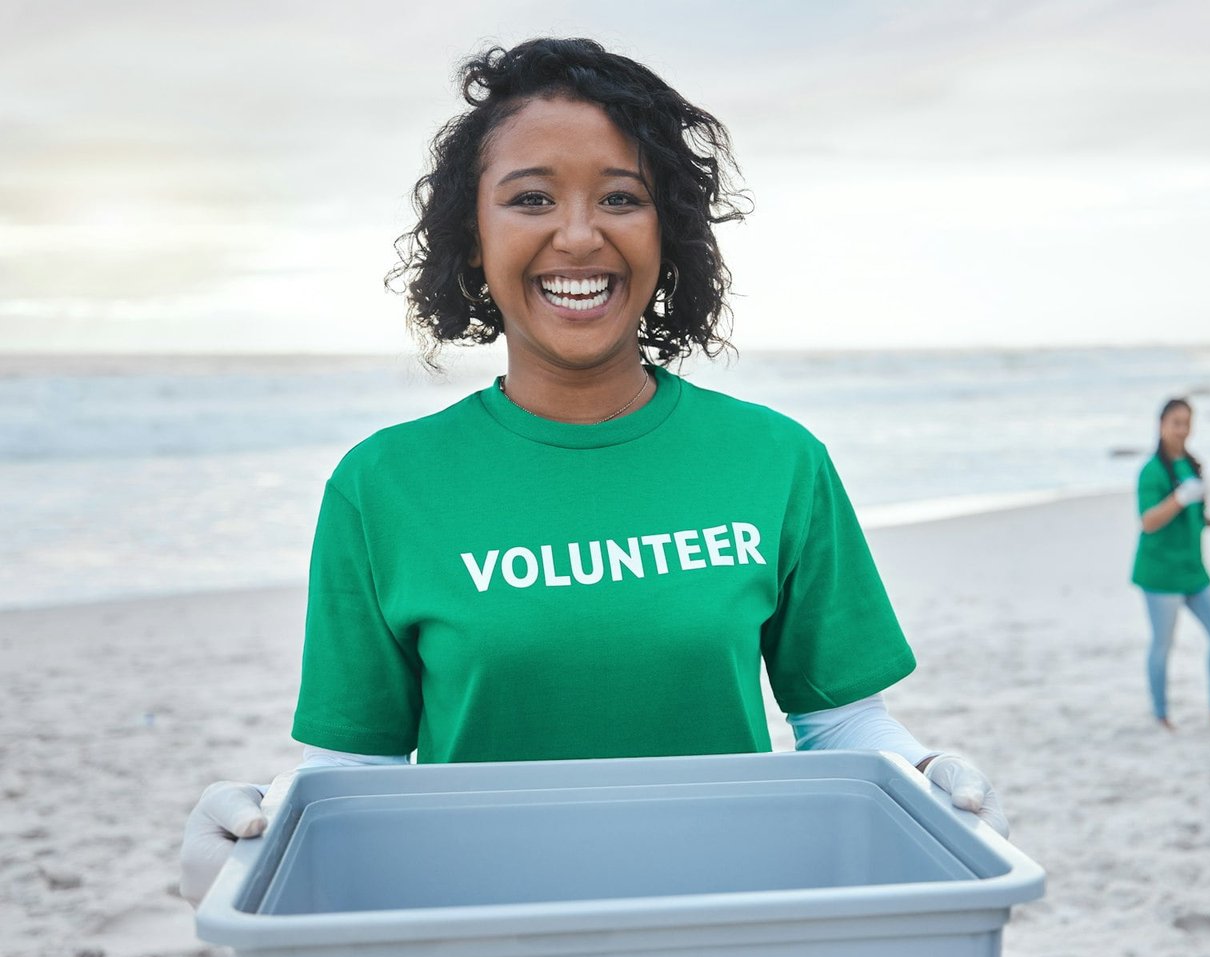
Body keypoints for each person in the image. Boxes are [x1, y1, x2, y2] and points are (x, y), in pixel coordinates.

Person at [179, 38, 1007, 905]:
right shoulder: (382, 485)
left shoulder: (778, 460)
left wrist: (924, 772)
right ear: (473, 237)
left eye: (622, 197)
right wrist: (256, 837)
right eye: (531, 198)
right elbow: (358, 772)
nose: (579, 235)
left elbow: (836, 721)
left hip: (733, 928)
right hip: (473, 936)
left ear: (667, 234)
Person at [1130, 398, 1210, 730]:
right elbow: (1149, 521)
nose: (1182, 430)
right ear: (1161, 425)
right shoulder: (1151, 471)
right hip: (1161, 573)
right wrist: (1180, 498)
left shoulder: (1193, 464)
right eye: (1176, 423)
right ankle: (1161, 714)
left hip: (1194, 571)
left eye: (1187, 422)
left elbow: (1196, 516)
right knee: (1163, 644)